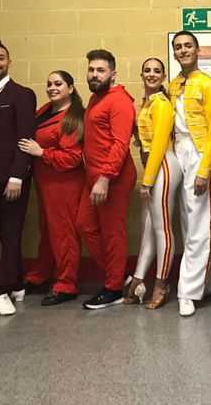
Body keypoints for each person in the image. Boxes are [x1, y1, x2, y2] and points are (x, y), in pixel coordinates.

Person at [76, 49, 137, 309]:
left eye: (100, 70)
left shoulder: (119, 101)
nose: (94, 74)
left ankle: (113, 289)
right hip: (94, 176)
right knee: (84, 225)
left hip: (113, 177)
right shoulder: (96, 98)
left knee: (113, 233)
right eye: (91, 69)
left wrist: (105, 178)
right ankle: (119, 275)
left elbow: (120, 144)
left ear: (113, 74)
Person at [18, 71, 85, 306]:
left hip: (64, 183)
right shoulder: (46, 110)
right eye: (49, 84)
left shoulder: (72, 117)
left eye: (58, 84)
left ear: (70, 88)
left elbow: (72, 158)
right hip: (45, 181)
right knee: (47, 231)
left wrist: (41, 152)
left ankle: (67, 284)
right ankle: (41, 275)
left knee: (63, 234)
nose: (52, 88)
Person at [168, 31, 211, 317]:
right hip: (178, 151)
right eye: (178, 47)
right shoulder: (173, 84)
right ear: (174, 53)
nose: (183, 50)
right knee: (189, 222)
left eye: (188, 45)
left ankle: (187, 292)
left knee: (201, 221)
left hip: (201, 151)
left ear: (197, 50)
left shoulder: (208, 83)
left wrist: (204, 169)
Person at [0, 39, 36, 316]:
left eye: (0, 57)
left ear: (9, 62)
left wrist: (17, 177)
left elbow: (25, 138)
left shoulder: (22, 94)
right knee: (4, 234)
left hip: (12, 177)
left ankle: (2, 291)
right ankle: (17, 284)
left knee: (12, 233)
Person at [124, 57, 181, 309]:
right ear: (141, 74)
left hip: (164, 166)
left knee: (161, 228)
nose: (151, 74)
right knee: (147, 227)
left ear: (163, 76)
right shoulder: (145, 103)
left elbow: (158, 144)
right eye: (147, 70)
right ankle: (138, 281)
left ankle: (161, 284)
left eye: (157, 71)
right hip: (152, 166)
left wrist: (146, 181)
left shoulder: (161, 103)